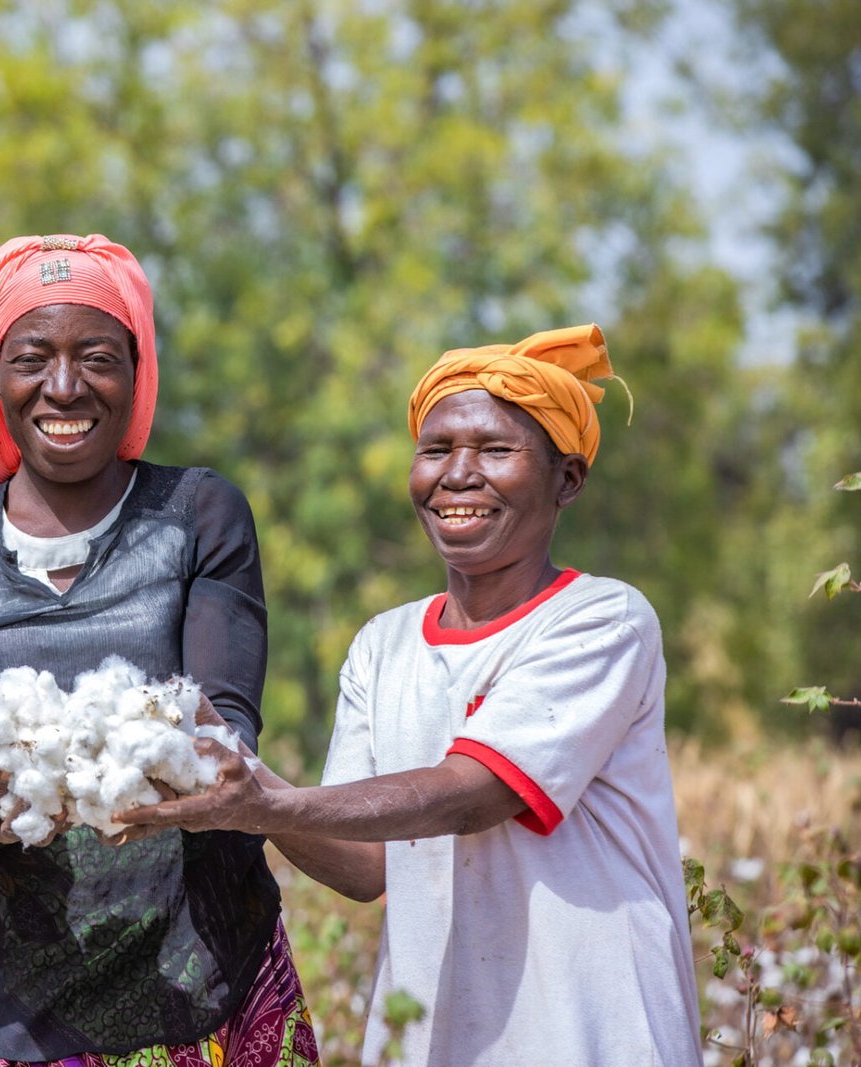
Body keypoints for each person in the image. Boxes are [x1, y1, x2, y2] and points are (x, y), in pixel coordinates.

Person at [119, 324, 702, 1066]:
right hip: (438, 1036)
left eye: (496, 450)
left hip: (594, 1031)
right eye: (437, 450)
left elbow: (473, 792)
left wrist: (261, 802)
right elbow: (363, 866)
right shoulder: (384, 644)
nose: (458, 474)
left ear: (568, 479)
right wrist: (216, 762)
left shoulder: (602, 619)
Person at [0, 234, 321, 1067]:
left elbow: (226, 733)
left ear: (136, 370)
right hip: (38, 1011)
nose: (64, 386)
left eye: (96, 356)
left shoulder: (198, 512)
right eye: (31, 358)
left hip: (218, 989)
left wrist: (171, 752)